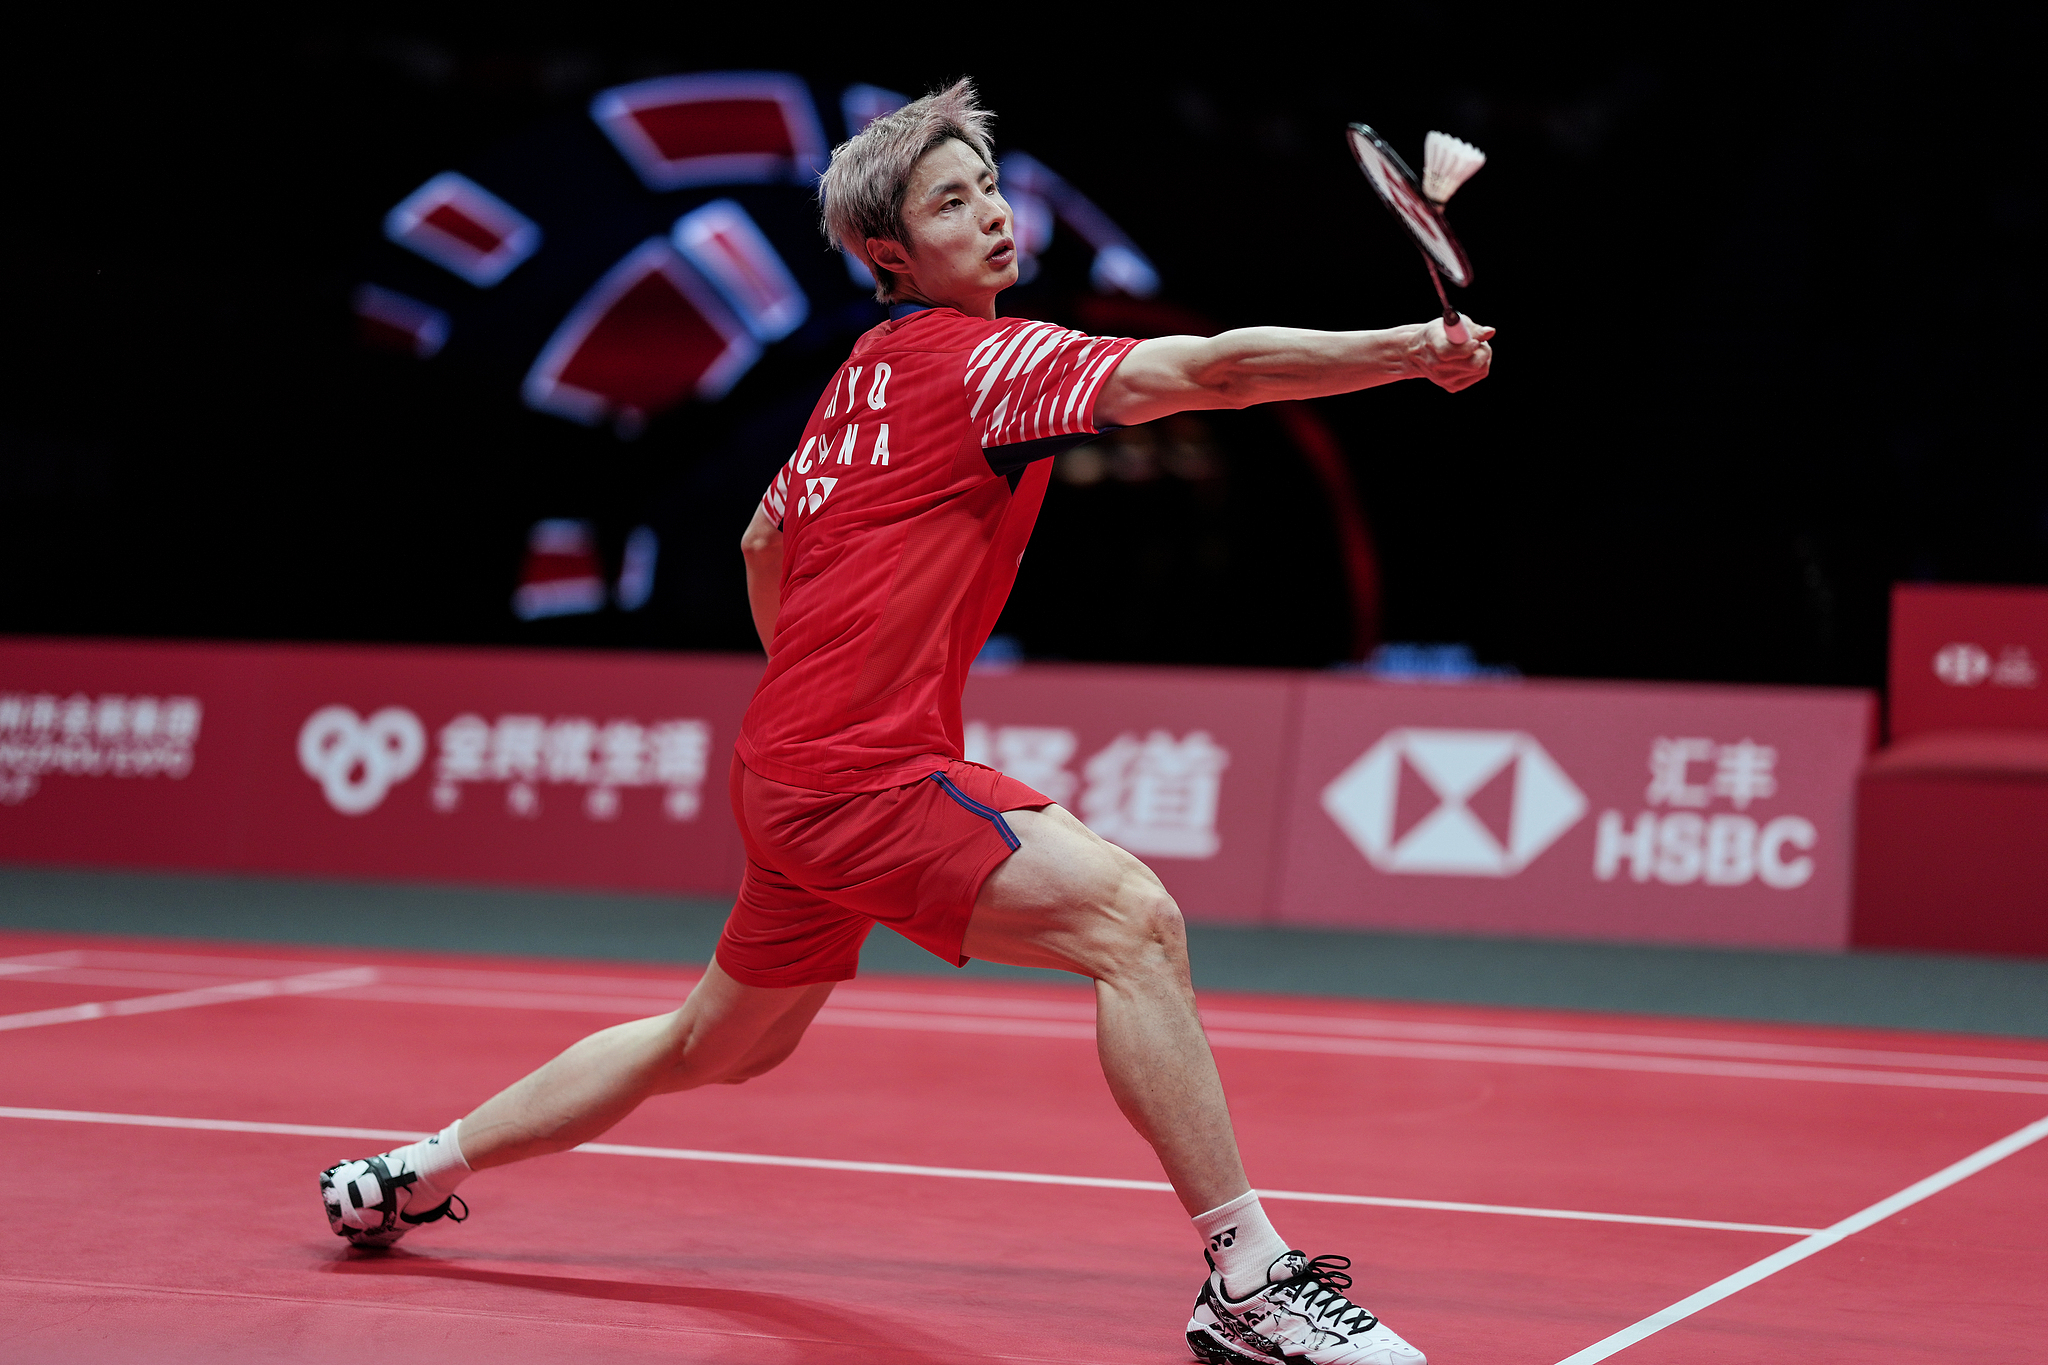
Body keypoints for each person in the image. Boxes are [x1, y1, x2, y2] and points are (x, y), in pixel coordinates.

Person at [320, 79, 1491, 1365]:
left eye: (986, 187)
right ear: (890, 251)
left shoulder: (859, 374)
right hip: (858, 776)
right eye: (951, 201)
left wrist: (819, 680)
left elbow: (765, 536)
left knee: (716, 1044)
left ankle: (415, 1168)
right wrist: (1406, 352)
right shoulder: (981, 358)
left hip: (788, 765)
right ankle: (1249, 1281)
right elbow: (1204, 371)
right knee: (1131, 924)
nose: (988, 214)